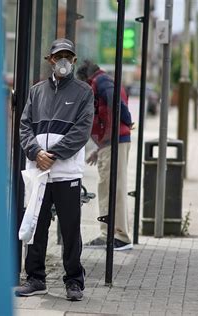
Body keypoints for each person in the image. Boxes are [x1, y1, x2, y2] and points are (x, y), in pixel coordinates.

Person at [15, 38, 94, 301]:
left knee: (71, 228)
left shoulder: (84, 92)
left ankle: (74, 282)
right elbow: (24, 126)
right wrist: (36, 153)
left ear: (73, 60)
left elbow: (82, 131)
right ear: (50, 60)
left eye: (67, 57)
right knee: (37, 226)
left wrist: (55, 155)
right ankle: (35, 279)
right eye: (58, 56)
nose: (63, 61)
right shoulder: (36, 91)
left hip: (67, 172)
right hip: (38, 172)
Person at [76, 59, 133, 251]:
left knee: (113, 188)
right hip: (110, 143)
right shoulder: (102, 81)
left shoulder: (101, 82)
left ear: (85, 77)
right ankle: (108, 233)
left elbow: (114, 104)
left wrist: (127, 120)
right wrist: (100, 148)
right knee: (107, 187)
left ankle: (120, 236)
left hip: (115, 142)